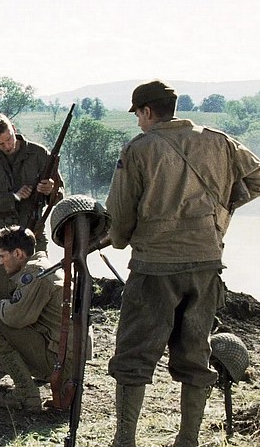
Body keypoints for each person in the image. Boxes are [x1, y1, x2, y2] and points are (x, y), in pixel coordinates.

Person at [105, 79, 260, 447]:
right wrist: (219, 211)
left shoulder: (139, 149)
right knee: (195, 353)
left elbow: (120, 212)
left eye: (138, 114)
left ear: (147, 111)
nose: (138, 121)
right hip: (206, 262)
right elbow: (255, 178)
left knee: (134, 355)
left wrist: (120, 239)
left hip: (154, 266)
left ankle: (124, 440)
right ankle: (187, 439)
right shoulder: (220, 141)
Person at [0, 113, 63, 301]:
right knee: (3, 291)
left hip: (33, 230)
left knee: (38, 285)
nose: (7, 146)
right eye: (0, 143)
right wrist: (13, 197)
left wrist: (50, 190)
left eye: (9, 139)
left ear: (13, 129)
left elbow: (59, 193)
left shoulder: (39, 154)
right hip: (3, 233)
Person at [0, 225, 67, 412]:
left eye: (2, 256)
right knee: (0, 326)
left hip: (59, 361)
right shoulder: (44, 267)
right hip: (66, 357)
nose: (0, 262)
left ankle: (26, 394)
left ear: (18, 253)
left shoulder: (35, 273)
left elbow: (15, 318)